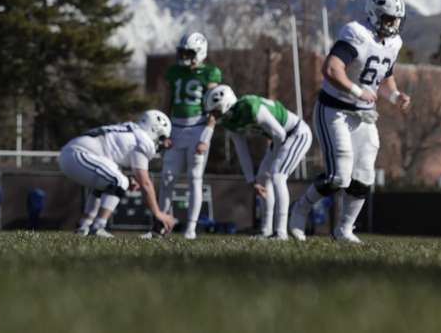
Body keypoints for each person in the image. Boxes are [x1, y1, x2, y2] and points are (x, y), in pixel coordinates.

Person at [289, 0, 412, 243]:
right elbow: (331, 68)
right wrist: (357, 90)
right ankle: (300, 210)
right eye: (389, 18)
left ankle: (344, 229)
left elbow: (383, 73)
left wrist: (395, 96)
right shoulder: (356, 33)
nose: (394, 24)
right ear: (375, 14)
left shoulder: (394, 43)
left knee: (365, 174)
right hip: (334, 109)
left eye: (397, 19)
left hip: (363, 116)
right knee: (338, 176)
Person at [204, 85, 313, 240]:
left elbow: (280, 134)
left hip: (296, 133)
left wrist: (275, 161)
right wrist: (251, 180)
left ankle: (281, 232)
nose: (213, 116)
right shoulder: (231, 122)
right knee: (262, 179)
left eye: (214, 111)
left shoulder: (249, 106)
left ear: (225, 104)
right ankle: (266, 230)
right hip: (279, 139)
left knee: (277, 176)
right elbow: (242, 150)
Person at [58, 110, 178, 238]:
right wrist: (158, 213)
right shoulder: (143, 140)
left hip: (72, 153)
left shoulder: (131, 131)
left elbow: (110, 158)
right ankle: (98, 227)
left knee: (107, 182)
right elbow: (146, 183)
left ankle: (84, 226)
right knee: (119, 181)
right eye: (161, 137)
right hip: (78, 154)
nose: (160, 143)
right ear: (154, 129)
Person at [158, 32, 222, 239]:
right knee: (167, 178)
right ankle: (163, 224)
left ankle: (191, 227)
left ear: (200, 52)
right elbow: (166, 102)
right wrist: (163, 131)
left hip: (197, 128)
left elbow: (216, 106)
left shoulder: (211, 73)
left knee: (195, 178)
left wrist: (206, 136)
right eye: (182, 52)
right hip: (175, 129)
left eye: (189, 52)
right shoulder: (174, 71)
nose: (184, 56)